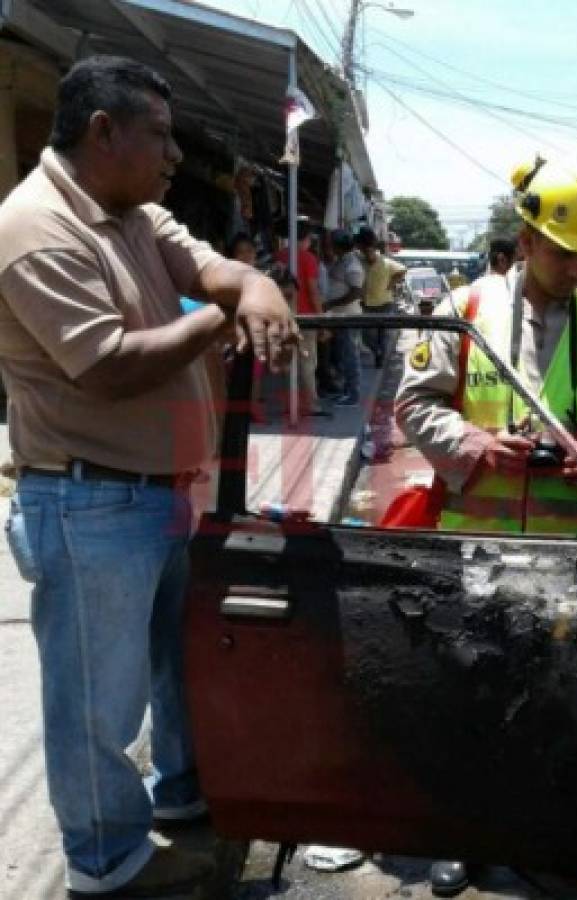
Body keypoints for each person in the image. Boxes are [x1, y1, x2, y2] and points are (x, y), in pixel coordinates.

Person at [0, 56, 297, 897]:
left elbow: (213, 268)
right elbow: (105, 365)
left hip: (156, 493)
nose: (173, 156)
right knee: (97, 707)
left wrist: (256, 283)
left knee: (179, 665)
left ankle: (181, 801)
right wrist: (215, 321)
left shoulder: (131, 212)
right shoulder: (33, 229)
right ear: (104, 131)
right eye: (160, 137)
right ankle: (106, 867)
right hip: (88, 500)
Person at [396, 154, 577, 895]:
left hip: (575, 558)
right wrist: (475, 445)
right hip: (475, 549)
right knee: (468, 698)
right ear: (526, 233)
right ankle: (463, 835)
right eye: (563, 250)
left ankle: (554, 842)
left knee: (563, 705)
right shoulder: (464, 312)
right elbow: (414, 405)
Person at [274, 218, 326, 416]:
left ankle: (291, 404)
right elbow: (313, 291)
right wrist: (322, 321)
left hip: (283, 315)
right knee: (307, 362)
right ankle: (311, 404)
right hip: (306, 317)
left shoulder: (279, 256)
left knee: (288, 362)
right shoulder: (308, 258)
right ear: (305, 239)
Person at [324, 228, 365, 406]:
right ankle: (346, 391)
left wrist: (332, 304)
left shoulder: (352, 265)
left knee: (350, 356)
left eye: (331, 243)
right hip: (340, 316)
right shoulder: (342, 261)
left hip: (349, 316)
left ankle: (353, 395)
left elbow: (357, 293)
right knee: (342, 355)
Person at [356, 226, 406, 367]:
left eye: (370, 251)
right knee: (367, 335)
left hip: (384, 303)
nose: (368, 254)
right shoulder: (360, 260)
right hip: (366, 304)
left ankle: (380, 357)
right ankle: (376, 350)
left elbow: (402, 270)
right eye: (365, 252)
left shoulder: (386, 262)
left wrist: (391, 283)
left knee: (383, 334)